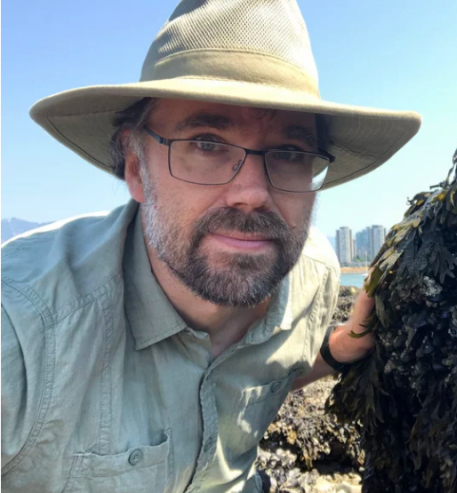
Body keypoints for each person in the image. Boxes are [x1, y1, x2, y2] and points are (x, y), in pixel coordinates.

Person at [0, 1, 421, 492]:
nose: (253, 192)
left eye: (289, 153)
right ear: (136, 167)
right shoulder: (22, 330)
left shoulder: (314, 278)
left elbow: (264, 376)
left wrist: (338, 349)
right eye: (206, 142)